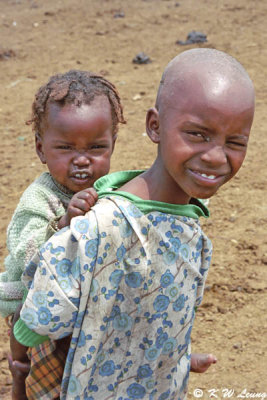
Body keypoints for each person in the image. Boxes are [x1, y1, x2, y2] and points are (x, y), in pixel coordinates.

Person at [12, 47, 255, 399]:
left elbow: (153, 321)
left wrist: (174, 359)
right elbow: (34, 327)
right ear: (154, 126)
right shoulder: (96, 228)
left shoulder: (194, 232)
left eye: (235, 142)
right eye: (198, 134)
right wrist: (20, 361)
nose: (217, 156)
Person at [1, 69, 126, 399]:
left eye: (97, 147)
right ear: (41, 150)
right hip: (40, 297)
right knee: (36, 369)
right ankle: (19, 376)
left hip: (88, 299)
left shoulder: (110, 190)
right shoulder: (39, 198)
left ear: (113, 144)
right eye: (66, 148)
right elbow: (27, 254)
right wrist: (63, 227)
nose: (82, 160)